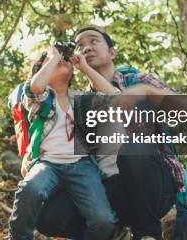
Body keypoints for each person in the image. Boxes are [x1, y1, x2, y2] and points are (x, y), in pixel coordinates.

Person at [36, 27, 184, 240]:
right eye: (80, 46)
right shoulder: (80, 102)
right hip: (109, 191)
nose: (86, 47)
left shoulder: (137, 80)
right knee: (46, 215)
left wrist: (148, 91)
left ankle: (147, 234)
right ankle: (114, 234)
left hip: (154, 185)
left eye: (94, 41)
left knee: (133, 149)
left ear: (112, 52)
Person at [8, 44, 118, 240]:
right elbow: (35, 87)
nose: (61, 59)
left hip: (82, 165)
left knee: (104, 220)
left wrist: (85, 67)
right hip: (47, 163)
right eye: (51, 60)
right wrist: (53, 56)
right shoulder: (41, 99)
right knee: (30, 189)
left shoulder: (81, 99)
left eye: (64, 59)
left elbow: (114, 97)